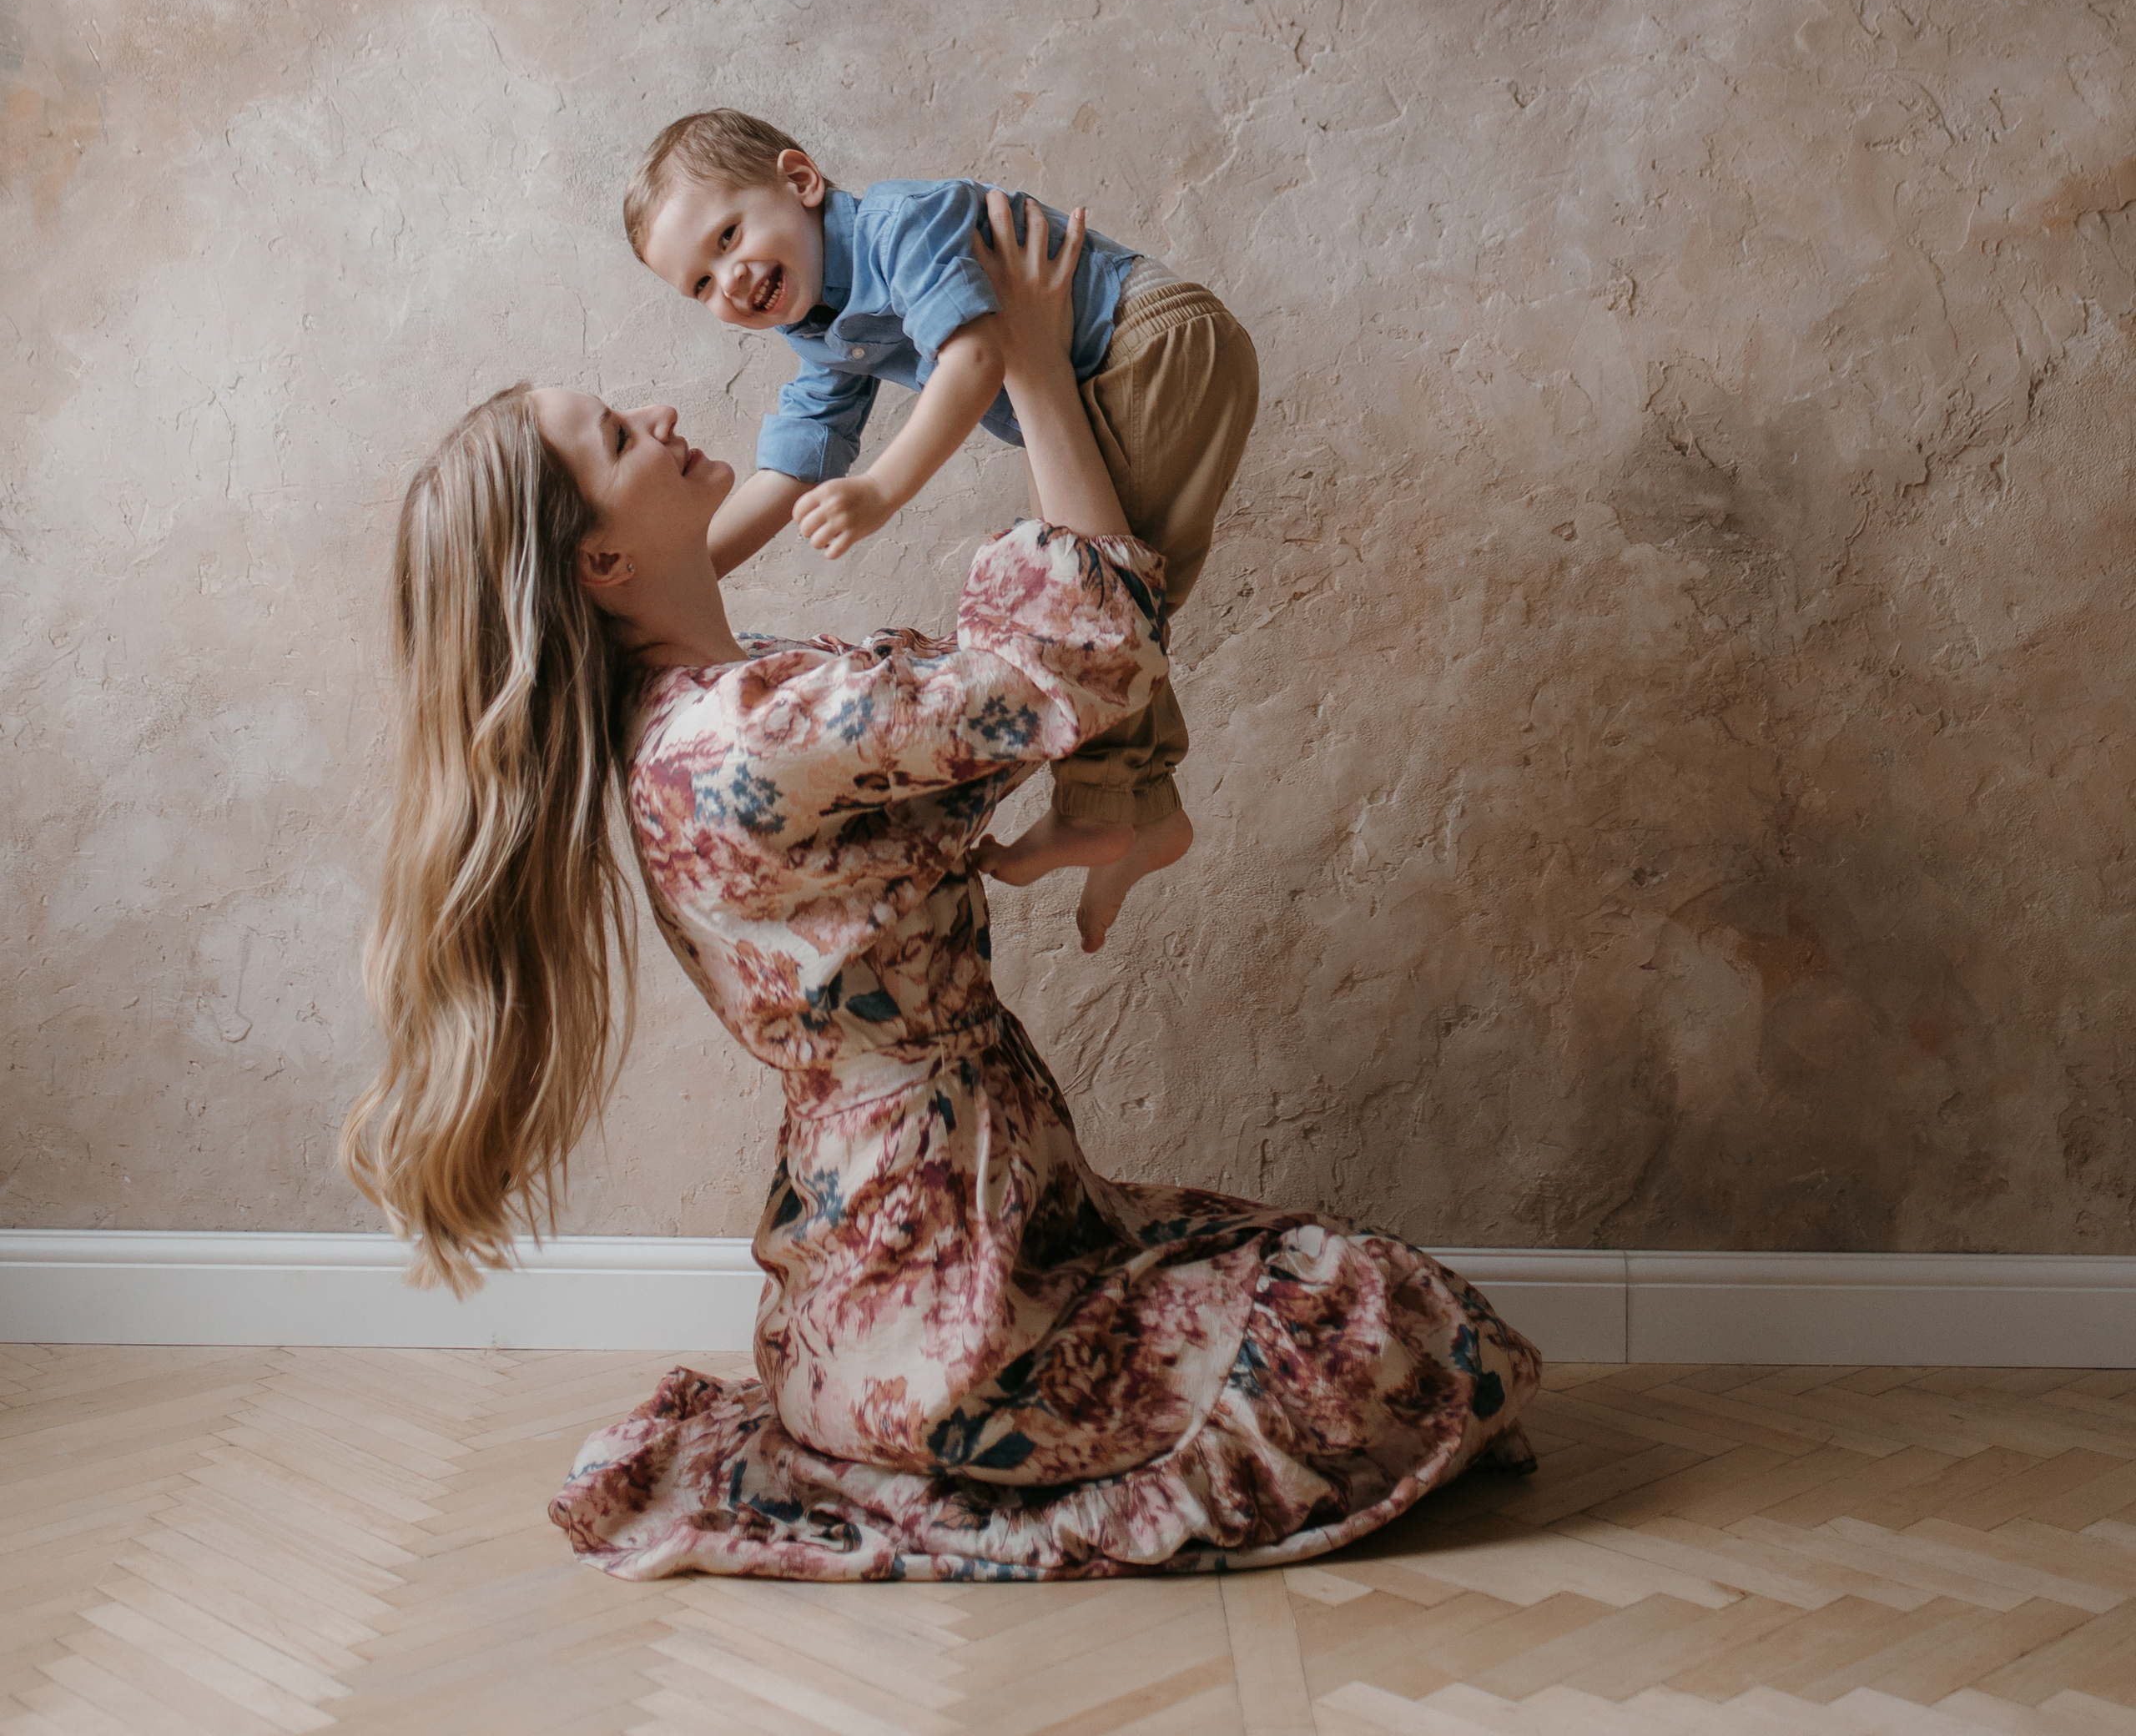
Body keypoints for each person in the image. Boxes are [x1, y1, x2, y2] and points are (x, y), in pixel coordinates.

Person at [345, 194, 1539, 1581]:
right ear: (602, 563)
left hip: (928, 1245)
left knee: (1321, 1270)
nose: (660, 414)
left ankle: (917, 1407)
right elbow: (1081, 666)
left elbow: (1023, 693)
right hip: (945, 1300)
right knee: (1396, 1326)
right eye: (619, 436)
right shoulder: (744, 735)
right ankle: (953, 1432)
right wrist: (1031, 362)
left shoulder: (718, 706)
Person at [622, 108, 1259, 949]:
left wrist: (881, 490)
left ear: (801, 181)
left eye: (728, 237)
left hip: (1147, 347)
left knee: (1095, 602)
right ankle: (1138, 811)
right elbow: (792, 468)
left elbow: (975, 356)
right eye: (701, 285)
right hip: (1086, 387)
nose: (729, 282)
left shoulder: (903, 226)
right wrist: (661, 583)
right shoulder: (821, 330)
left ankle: (1109, 811)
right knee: (1100, 604)